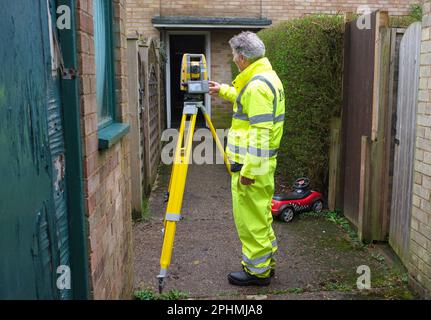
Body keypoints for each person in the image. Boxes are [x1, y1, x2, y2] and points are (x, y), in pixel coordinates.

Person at [209, 31, 285, 286]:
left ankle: (257, 273)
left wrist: (249, 172)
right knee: (260, 217)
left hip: (252, 167)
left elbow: (261, 133)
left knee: (250, 221)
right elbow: (247, 102)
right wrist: (223, 91)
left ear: (242, 57)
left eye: (233, 55)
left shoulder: (257, 86)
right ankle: (266, 263)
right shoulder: (266, 79)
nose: (232, 60)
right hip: (260, 166)